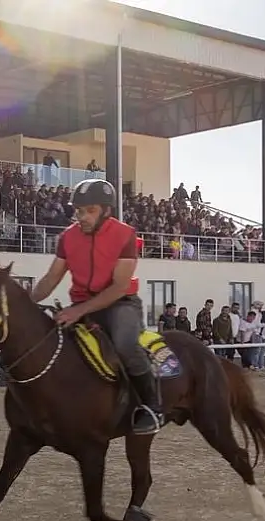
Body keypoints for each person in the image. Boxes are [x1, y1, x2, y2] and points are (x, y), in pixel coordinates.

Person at [29, 178, 161, 434]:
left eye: (90, 210)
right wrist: (25, 302)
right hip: (80, 303)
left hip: (120, 303)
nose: (83, 216)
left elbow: (119, 287)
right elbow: (50, 279)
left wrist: (78, 311)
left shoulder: (126, 235)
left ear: (106, 211)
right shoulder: (67, 238)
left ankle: (152, 406)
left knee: (124, 344)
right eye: (79, 210)